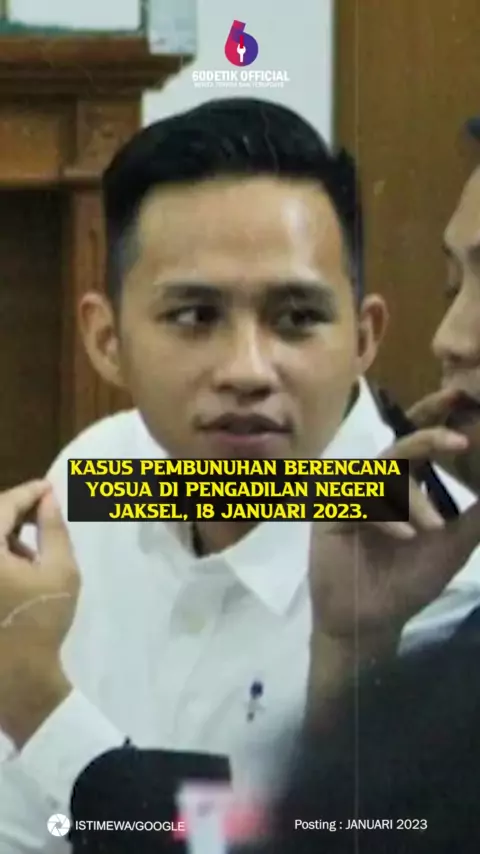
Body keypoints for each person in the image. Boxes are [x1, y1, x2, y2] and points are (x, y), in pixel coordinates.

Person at [1, 98, 480, 854]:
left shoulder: (438, 574)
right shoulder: (98, 474)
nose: (248, 371)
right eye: (196, 316)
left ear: (364, 337)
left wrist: (41, 706)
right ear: (106, 340)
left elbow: (297, 836)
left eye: (296, 318)